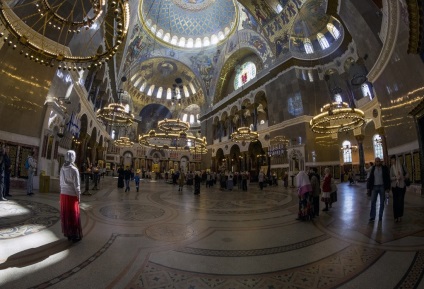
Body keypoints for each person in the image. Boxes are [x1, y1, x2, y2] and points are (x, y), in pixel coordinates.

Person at [59, 150, 83, 242]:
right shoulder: (74, 169)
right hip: (72, 195)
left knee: (66, 214)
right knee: (73, 214)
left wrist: (61, 193)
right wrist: (79, 197)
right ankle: (74, 235)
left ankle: (68, 234)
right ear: (73, 157)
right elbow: (77, 186)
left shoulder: (62, 168)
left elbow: (60, 182)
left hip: (63, 194)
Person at [367, 157, 391, 222]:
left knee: (382, 202)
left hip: (382, 187)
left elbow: (387, 178)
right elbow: (370, 178)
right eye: (376, 161)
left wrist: (388, 187)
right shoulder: (373, 168)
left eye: (378, 161)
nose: (377, 162)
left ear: (380, 161)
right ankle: (372, 217)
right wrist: (368, 188)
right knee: (373, 202)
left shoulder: (384, 168)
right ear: (375, 162)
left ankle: (380, 216)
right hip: (374, 187)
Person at [390, 156, 408, 222]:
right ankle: (395, 216)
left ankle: (400, 215)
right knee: (395, 202)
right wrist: (395, 177)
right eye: (392, 160)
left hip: (402, 186)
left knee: (400, 201)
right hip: (395, 186)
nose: (392, 162)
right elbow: (390, 177)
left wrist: (403, 177)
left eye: (393, 160)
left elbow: (407, 173)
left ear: (396, 160)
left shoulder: (402, 166)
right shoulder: (392, 167)